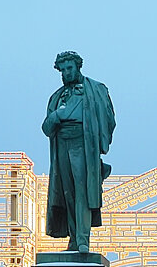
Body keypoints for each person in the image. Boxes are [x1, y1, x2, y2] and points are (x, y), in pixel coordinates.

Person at [41, 50, 116, 253]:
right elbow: (46, 128)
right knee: (68, 193)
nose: (66, 73)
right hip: (62, 147)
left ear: (78, 67)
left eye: (69, 68)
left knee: (82, 189)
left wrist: (99, 144)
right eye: (62, 70)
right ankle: (74, 240)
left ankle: (82, 239)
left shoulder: (96, 90)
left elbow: (109, 119)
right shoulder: (56, 98)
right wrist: (57, 115)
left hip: (83, 144)